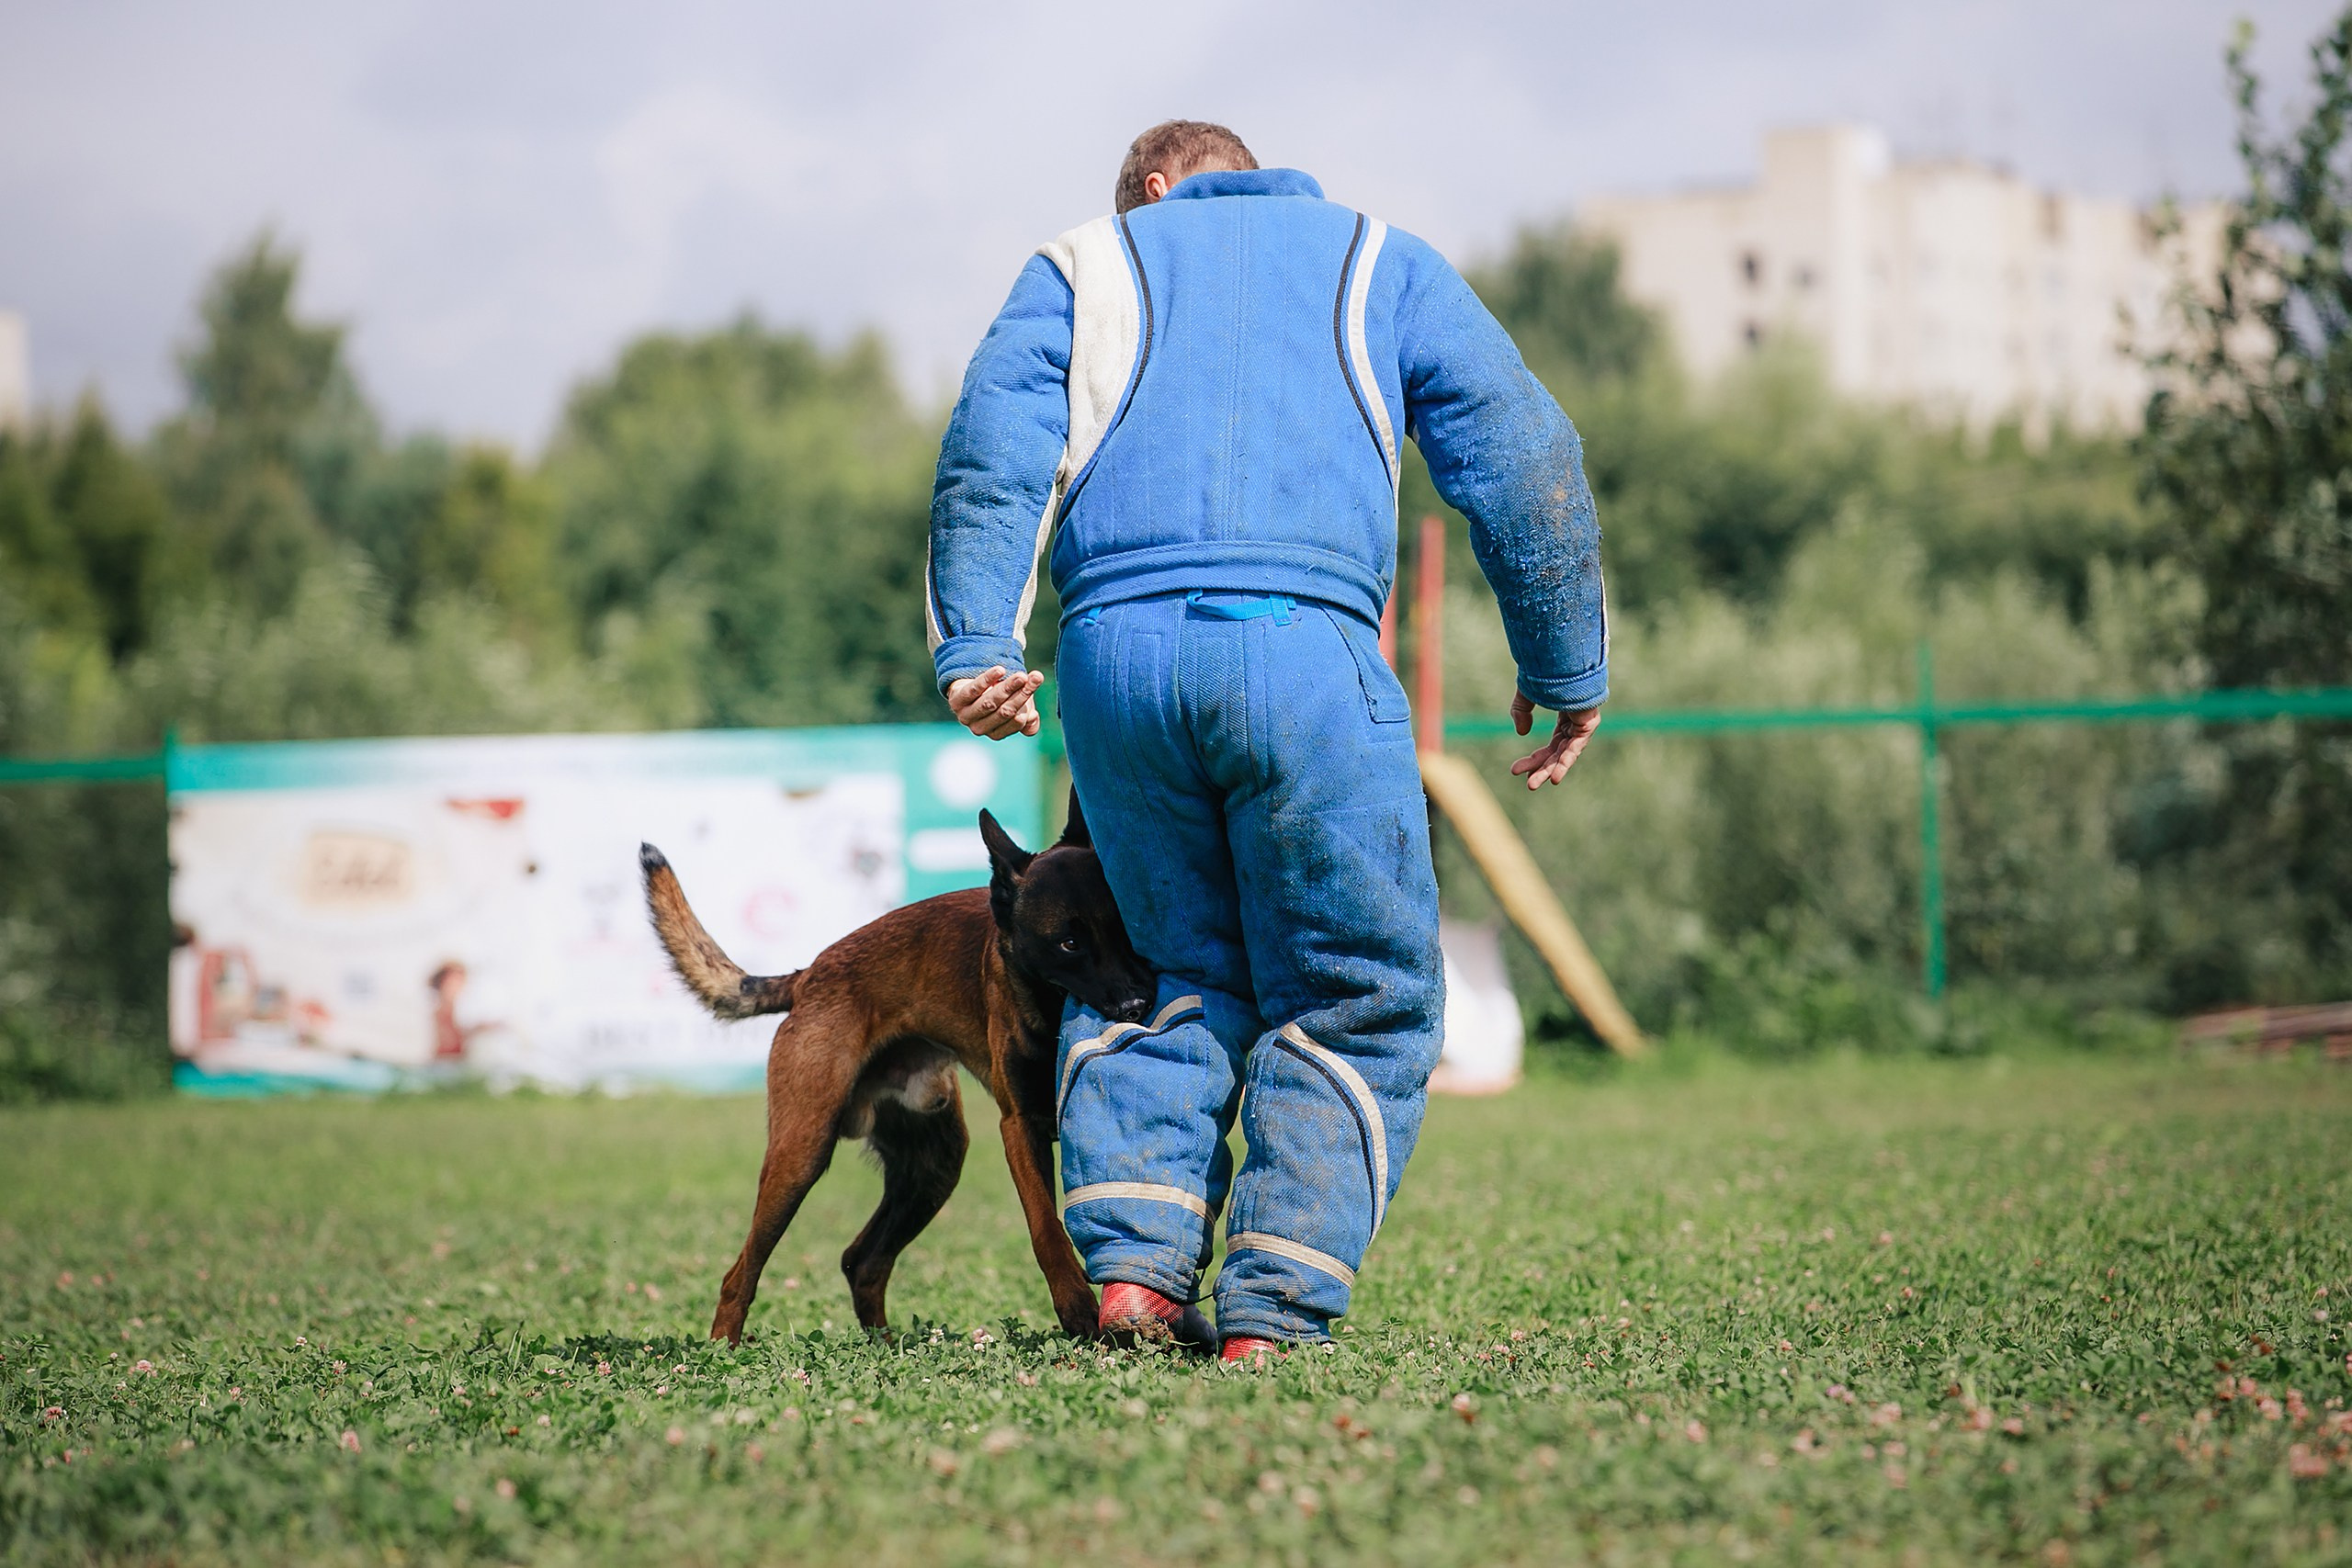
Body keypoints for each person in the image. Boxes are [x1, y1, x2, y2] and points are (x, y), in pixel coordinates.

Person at [926, 120, 1607, 1362]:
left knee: (1154, 969)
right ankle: (1274, 1310)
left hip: (1118, 666)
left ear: (1152, 184)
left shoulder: (1081, 264)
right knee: (1355, 989)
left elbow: (991, 447)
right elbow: (1524, 452)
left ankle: (1133, 1278)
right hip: (1308, 657)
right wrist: (1565, 663)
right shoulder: (1382, 260)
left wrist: (976, 640)